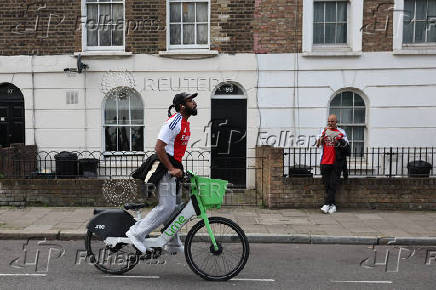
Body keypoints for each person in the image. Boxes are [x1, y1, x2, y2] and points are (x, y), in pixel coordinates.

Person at [126, 92, 198, 254]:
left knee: (176, 207)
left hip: (174, 167)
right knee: (167, 206)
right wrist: (172, 169)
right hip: (163, 168)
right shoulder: (175, 122)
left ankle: (171, 242)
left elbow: (174, 149)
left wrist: (178, 169)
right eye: (190, 101)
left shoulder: (184, 123)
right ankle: (136, 234)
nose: (194, 103)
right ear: (182, 106)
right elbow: (159, 148)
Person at [316, 114, 348, 214]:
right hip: (325, 161)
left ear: (336, 122)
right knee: (327, 185)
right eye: (329, 121)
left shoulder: (341, 132)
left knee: (333, 184)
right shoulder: (323, 131)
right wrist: (323, 136)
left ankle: (326, 204)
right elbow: (318, 144)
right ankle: (332, 205)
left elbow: (347, 145)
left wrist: (339, 139)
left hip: (336, 162)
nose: (330, 123)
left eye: (332, 121)